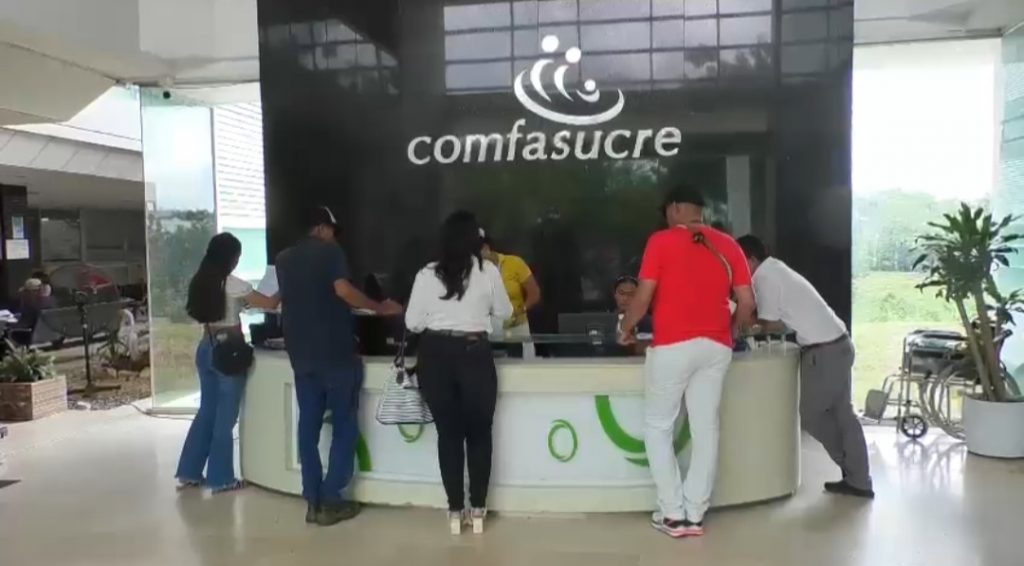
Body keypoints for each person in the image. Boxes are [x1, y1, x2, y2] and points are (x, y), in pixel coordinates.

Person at [619, 185, 755, 538]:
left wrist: (626, 327)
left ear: (676, 208)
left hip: (673, 345)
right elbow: (746, 301)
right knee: (705, 428)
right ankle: (695, 513)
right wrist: (732, 330)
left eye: (667, 210)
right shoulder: (729, 245)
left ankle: (672, 513)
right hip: (716, 348)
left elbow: (643, 295)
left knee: (658, 426)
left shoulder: (661, 241)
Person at [275, 206, 402, 526]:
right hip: (335, 354)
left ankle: (312, 498)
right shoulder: (329, 251)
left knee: (308, 428)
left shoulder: (284, 259)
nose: (334, 236)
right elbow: (342, 290)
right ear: (320, 228)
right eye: (332, 229)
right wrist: (379, 307)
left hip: (301, 356)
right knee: (344, 426)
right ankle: (331, 498)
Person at [737, 234, 873, 498]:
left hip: (824, 352)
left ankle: (852, 470)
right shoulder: (776, 269)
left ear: (750, 259)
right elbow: (784, 319)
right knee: (844, 415)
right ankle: (858, 478)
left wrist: (744, 322)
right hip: (839, 344)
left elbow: (769, 323)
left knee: (812, 415)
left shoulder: (765, 277)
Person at [405, 211, 513, 535]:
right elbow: (505, 312)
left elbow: (412, 323)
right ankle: (478, 510)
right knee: (479, 433)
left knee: (448, 434)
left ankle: (455, 510)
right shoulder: (487, 270)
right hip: (474, 353)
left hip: (435, 356)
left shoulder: (426, 274)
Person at [176, 233, 278, 493]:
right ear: (230, 257)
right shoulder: (233, 283)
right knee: (225, 419)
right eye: (237, 257)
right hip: (229, 353)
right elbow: (270, 303)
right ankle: (221, 479)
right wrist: (285, 285)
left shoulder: (201, 282)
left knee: (206, 412)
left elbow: (222, 308)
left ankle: (189, 471)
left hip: (205, 348)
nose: (237, 261)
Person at [480, 230, 540, 358]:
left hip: (517, 328)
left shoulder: (514, 263)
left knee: (524, 365)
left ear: (486, 248)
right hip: (490, 330)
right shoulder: (474, 270)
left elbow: (534, 293)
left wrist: (521, 309)